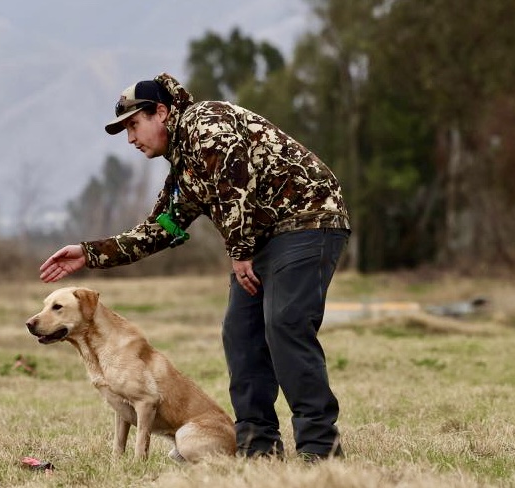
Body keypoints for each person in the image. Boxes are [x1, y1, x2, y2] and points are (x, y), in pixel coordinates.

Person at [39, 73, 351, 461]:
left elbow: (233, 180)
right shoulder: (185, 172)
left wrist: (239, 250)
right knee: (240, 334)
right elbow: (159, 229)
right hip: (262, 239)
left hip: (309, 220)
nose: (131, 138)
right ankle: (259, 449)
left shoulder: (206, 123)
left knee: (285, 325)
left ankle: (320, 450)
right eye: (125, 131)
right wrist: (90, 253)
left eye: (134, 124)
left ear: (163, 113)